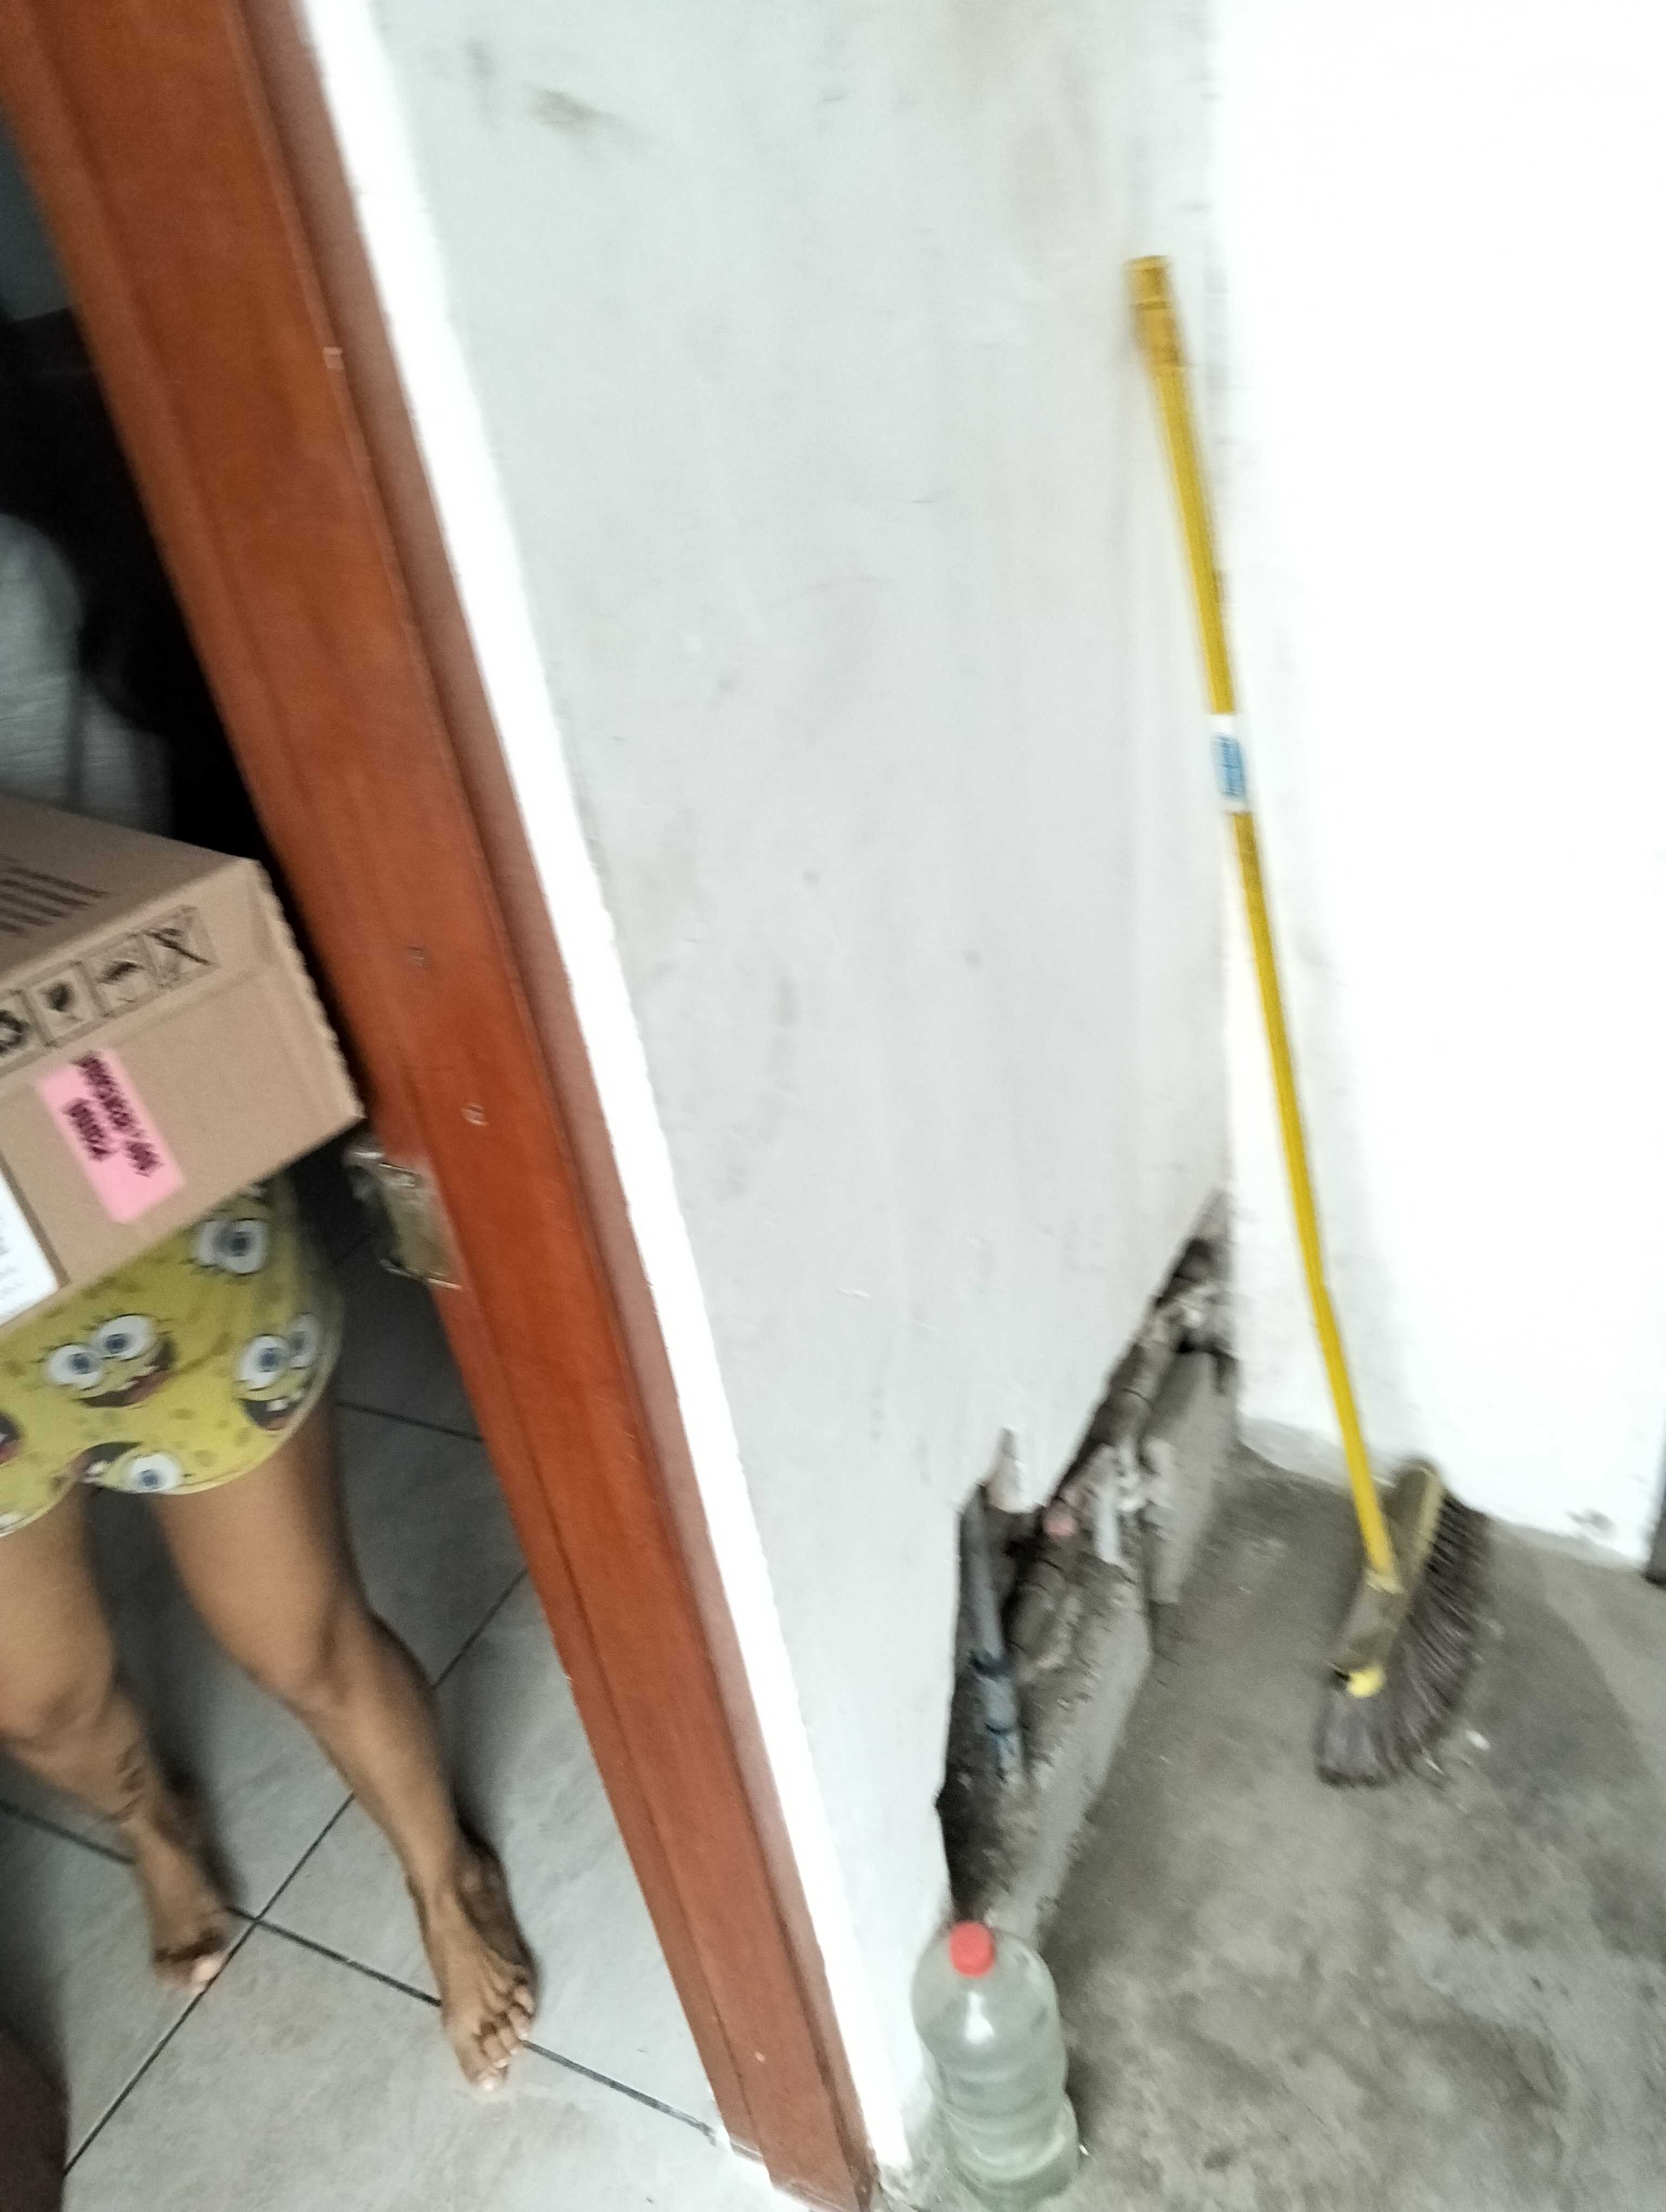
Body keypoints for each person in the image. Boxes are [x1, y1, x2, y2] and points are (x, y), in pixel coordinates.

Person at [0, 491, 534, 2090]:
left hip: (141, 1217)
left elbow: (97, 889)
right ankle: (151, 1824)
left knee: (302, 1643)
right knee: (39, 1709)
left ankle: (445, 1882)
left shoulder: (7, 579)